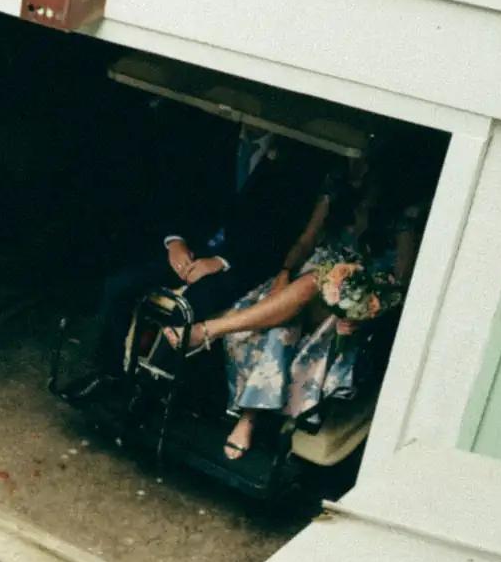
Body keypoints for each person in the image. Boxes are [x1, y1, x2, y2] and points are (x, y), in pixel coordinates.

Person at [170, 157, 423, 459]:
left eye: (365, 166)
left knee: (314, 282)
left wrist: (363, 312)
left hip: (342, 306)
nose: (356, 169)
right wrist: (284, 272)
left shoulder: (400, 222)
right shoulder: (337, 194)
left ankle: (206, 331)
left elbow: (398, 286)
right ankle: (249, 418)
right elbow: (305, 241)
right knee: (282, 328)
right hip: (300, 288)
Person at [71, 124, 330, 392]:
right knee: (120, 285)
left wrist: (221, 261)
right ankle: (109, 373)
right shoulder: (212, 135)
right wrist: (175, 241)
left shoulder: (292, 160)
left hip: (238, 263)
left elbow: (276, 234)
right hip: (191, 247)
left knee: (191, 305)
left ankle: (148, 389)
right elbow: (177, 193)